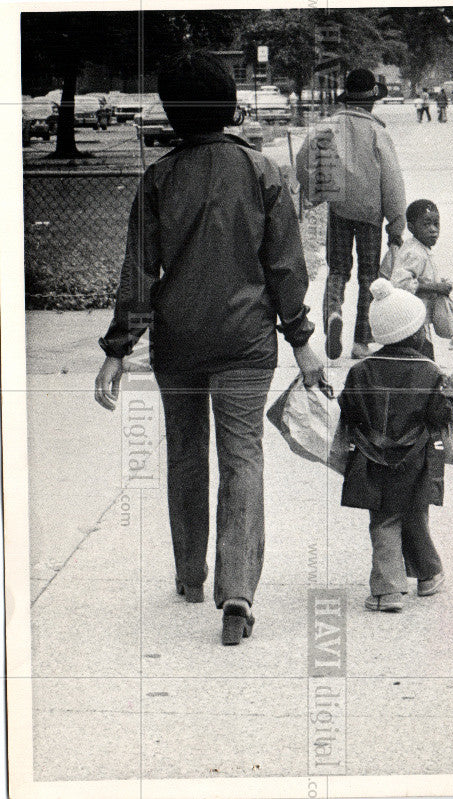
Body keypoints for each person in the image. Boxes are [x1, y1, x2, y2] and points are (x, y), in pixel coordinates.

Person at [94, 51, 323, 646]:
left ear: (172, 112)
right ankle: (239, 591)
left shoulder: (158, 180)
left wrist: (119, 349)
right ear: (229, 105)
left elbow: (139, 272)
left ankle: (190, 575)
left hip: (179, 343)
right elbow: (285, 269)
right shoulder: (265, 173)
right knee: (242, 458)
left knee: (187, 456)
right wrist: (301, 340)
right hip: (247, 343)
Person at [338, 279, 453, 612]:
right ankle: (429, 574)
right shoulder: (431, 372)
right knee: (414, 515)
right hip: (418, 460)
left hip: (372, 460)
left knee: (383, 519)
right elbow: (439, 417)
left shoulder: (361, 372)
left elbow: (349, 411)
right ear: (417, 333)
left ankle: (388, 590)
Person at [295, 68, 406, 361]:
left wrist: (315, 193)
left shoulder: (328, 127)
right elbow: (392, 180)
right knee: (369, 276)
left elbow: (303, 160)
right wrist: (396, 224)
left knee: (338, 270)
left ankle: (333, 313)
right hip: (371, 214)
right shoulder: (377, 132)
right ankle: (360, 340)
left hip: (339, 209)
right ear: (372, 100)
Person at [390, 199, 452, 359]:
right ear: (411, 227)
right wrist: (435, 288)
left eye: (436, 224)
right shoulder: (415, 253)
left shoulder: (419, 248)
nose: (433, 230)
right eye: (426, 224)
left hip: (418, 319)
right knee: (423, 359)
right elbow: (400, 283)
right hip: (412, 320)